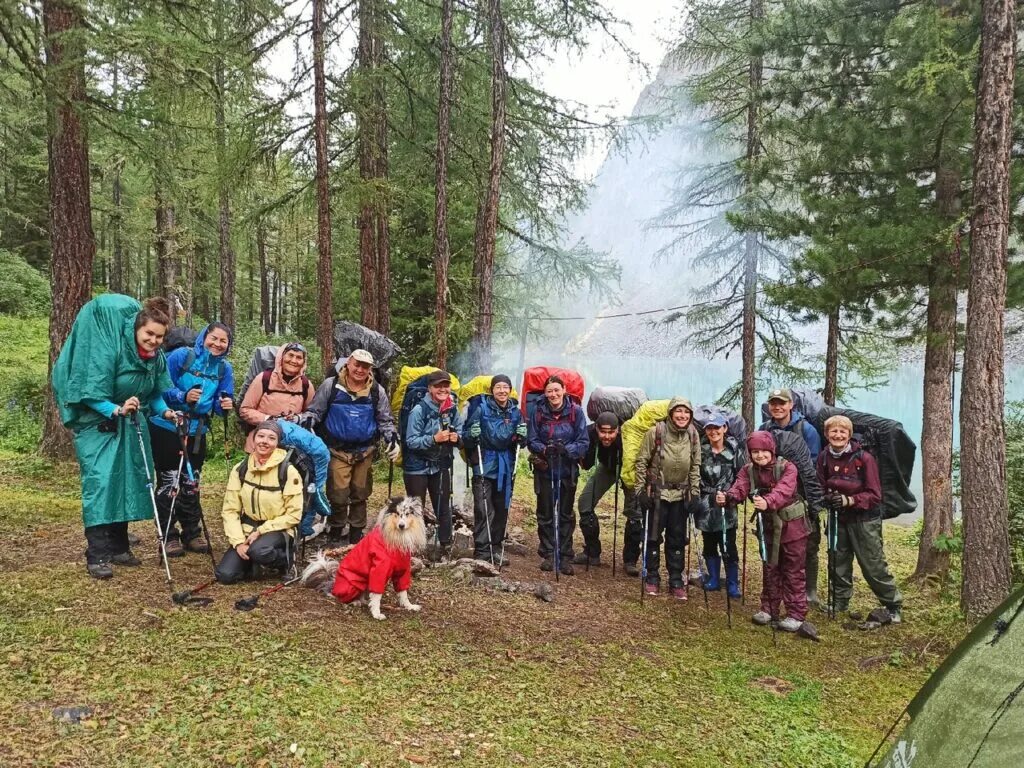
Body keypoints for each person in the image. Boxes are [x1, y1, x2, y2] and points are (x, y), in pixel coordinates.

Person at [51, 294, 179, 580]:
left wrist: (167, 413)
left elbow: (156, 393)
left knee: (129, 479)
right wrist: (117, 409)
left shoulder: (155, 358)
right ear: (137, 328)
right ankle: (97, 553)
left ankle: (120, 547)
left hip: (132, 423)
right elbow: (90, 392)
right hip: (98, 426)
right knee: (101, 483)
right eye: (149, 334)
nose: (154, 340)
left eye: (159, 337)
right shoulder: (109, 351)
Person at [150, 323, 234, 557]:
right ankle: (168, 535)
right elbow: (158, 387)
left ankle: (192, 532)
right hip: (167, 426)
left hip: (198, 430)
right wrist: (182, 396)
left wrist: (224, 405)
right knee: (169, 481)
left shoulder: (224, 369)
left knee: (191, 482)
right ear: (203, 337)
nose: (217, 344)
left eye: (223, 341)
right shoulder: (180, 356)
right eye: (213, 338)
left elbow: (221, 399)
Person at [718, 431, 810, 633]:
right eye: (755, 452)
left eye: (764, 451)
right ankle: (769, 608)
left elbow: (784, 491)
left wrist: (768, 501)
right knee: (770, 567)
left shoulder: (787, 468)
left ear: (772, 450)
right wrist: (728, 497)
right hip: (767, 527)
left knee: (793, 570)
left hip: (792, 527)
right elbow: (740, 488)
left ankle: (796, 613)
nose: (760, 456)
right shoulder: (748, 470)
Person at [305, 349, 399, 545]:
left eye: (365, 366)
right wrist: (306, 425)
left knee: (360, 493)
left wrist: (391, 438)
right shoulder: (330, 386)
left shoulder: (376, 390)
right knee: (337, 495)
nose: (360, 369)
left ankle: (356, 533)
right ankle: (336, 529)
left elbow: (385, 420)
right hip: (336, 450)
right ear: (348, 363)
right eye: (357, 364)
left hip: (365, 451)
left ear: (370, 369)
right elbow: (315, 412)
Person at [817, 414, 903, 623]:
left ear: (849, 434)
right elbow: (820, 485)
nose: (838, 435)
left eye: (842, 431)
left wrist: (849, 500)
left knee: (873, 565)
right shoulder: (824, 457)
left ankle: (893, 605)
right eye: (833, 431)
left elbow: (875, 495)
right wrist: (828, 498)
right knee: (837, 562)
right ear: (827, 434)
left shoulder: (864, 458)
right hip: (838, 518)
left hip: (864, 520)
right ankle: (840, 601)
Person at [215, 420, 303, 584]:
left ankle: (286, 559)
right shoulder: (241, 469)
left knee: (259, 551)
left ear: (277, 443)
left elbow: (294, 515)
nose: (264, 441)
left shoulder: (288, 472)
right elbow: (230, 510)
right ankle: (254, 562)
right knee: (225, 575)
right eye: (260, 436)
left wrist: (262, 530)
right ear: (253, 439)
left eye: (271, 438)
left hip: (279, 529)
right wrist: (238, 542)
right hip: (248, 528)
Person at [760, 386, 823, 607]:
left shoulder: (807, 430)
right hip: (773, 497)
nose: (777, 407)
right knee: (775, 542)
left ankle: (809, 592)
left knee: (808, 543)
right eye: (773, 403)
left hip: (802, 495)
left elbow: (813, 465)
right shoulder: (764, 428)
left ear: (791, 405)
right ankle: (777, 591)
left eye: (782, 403)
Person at [634, 398, 701, 599]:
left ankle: (676, 579)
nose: (682, 416)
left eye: (686, 412)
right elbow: (641, 461)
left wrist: (695, 492)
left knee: (677, 537)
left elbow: (695, 465)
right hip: (657, 493)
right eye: (679, 411)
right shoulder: (656, 432)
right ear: (671, 413)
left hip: (681, 494)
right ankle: (652, 577)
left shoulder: (693, 434)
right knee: (653, 536)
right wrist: (639, 491)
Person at [527, 375, 589, 575]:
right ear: (545, 393)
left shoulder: (576, 412)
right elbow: (532, 439)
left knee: (565, 513)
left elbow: (583, 442)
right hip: (545, 469)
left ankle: (564, 555)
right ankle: (548, 553)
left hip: (567, 470)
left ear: (564, 390)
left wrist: (566, 450)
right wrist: (545, 449)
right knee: (545, 513)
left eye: (556, 390)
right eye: (549, 391)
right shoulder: (538, 412)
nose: (553, 394)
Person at [461, 374, 525, 564]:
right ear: (492, 390)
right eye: (498, 387)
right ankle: (482, 551)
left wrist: (524, 436)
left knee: (501, 509)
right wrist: (472, 435)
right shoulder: (481, 409)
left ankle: (496, 548)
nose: (502, 391)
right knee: (483, 508)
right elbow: (466, 436)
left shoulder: (515, 412)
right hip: (484, 463)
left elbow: (521, 442)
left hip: (506, 465)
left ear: (510, 390)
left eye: (506, 387)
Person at [403, 370, 463, 557]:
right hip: (416, 465)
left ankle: (445, 546)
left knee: (443, 506)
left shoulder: (451, 408)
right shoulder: (419, 409)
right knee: (415, 508)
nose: (443, 389)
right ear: (430, 388)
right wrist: (433, 439)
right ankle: (413, 548)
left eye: (446, 385)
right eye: (438, 386)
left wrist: (456, 437)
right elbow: (411, 441)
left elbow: (460, 429)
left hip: (440, 464)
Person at [696, 414, 746, 598]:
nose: (713, 431)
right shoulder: (701, 452)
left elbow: (742, 477)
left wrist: (731, 496)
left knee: (728, 544)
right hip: (706, 504)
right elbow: (694, 474)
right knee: (708, 542)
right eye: (709, 428)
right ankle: (714, 579)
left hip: (727, 504)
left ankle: (733, 583)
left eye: (717, 427)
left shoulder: (734, 452)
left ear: (725, 428)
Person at [238, 342, 314, 452]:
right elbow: (245, 410)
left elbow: (311, 414)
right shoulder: (264, 379)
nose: (293, 361)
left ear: (303, 362)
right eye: (290, 355)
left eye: (299, 357)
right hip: (260, 443)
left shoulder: (306, 385)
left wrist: (297, 418)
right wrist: (269, 419)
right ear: (281, 357)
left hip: (291, 446)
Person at [575, 411, 626, 568]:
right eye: (603, 432)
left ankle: (630, 561)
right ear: (596, 428)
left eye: (611, 432)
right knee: (585, 503)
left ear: (618, 430)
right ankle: (592, 553)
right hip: (607, 468)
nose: (607, 436)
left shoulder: (629, 434)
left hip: (629, 468)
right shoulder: (589, 433)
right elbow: (586, 464)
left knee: (635, 512)